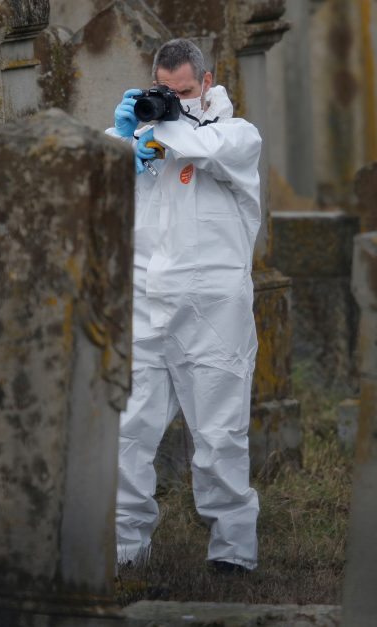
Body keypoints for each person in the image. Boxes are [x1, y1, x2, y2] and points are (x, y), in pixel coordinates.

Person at [105, 38, 262, 573]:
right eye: (163, 92)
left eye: (185, 91)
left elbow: (208, 147)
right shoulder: (140, 140)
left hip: (213, 314)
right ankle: (126, 552)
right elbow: (86, 177)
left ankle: (234, 555)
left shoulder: (237, 136)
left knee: (220, 438)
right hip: (145, 306)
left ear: (208, 81)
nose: (174, 101)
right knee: (126, 433)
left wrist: (161, 129)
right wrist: (122, 144)